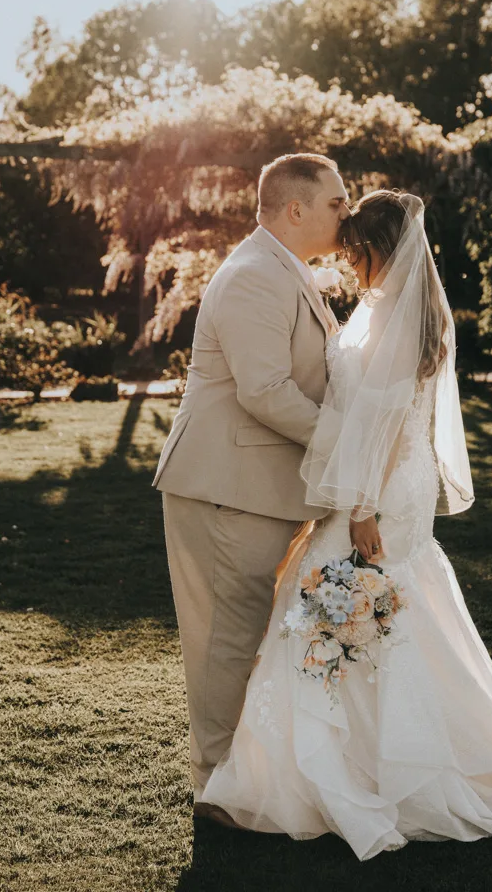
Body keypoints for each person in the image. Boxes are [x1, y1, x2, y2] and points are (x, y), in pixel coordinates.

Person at [200, 189, 492, 859]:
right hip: (382, 483)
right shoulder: (392, 310)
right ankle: (366, 750)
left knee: (336, 602)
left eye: (357, 253)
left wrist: (356, 511)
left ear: (382, 251)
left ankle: (345, 765)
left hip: (379, 490)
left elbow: (378, 428)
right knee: (378, 609)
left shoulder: (395, 319)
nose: (349, 264)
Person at [153, 153, 353, 825]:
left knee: (251, 634)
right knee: (225, 639)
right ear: (294, 209)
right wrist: (348, 442)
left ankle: (247, 774)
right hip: (224, 485)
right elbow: (265, 391)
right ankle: (215, 787)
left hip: (260, 485)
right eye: (336, 202)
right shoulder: (250, 277)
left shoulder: (285, 270)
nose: (344, 214)